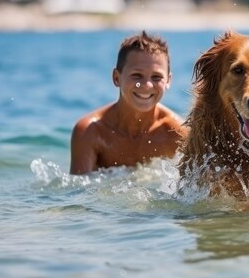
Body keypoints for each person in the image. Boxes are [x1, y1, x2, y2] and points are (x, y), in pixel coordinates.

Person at [70, 31, 187, 175]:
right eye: (137, 75)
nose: (147, 85)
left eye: (156, 77)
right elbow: (76, 192)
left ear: (168, 81)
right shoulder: (91, 131)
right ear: (116, 78)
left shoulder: (178, 134)